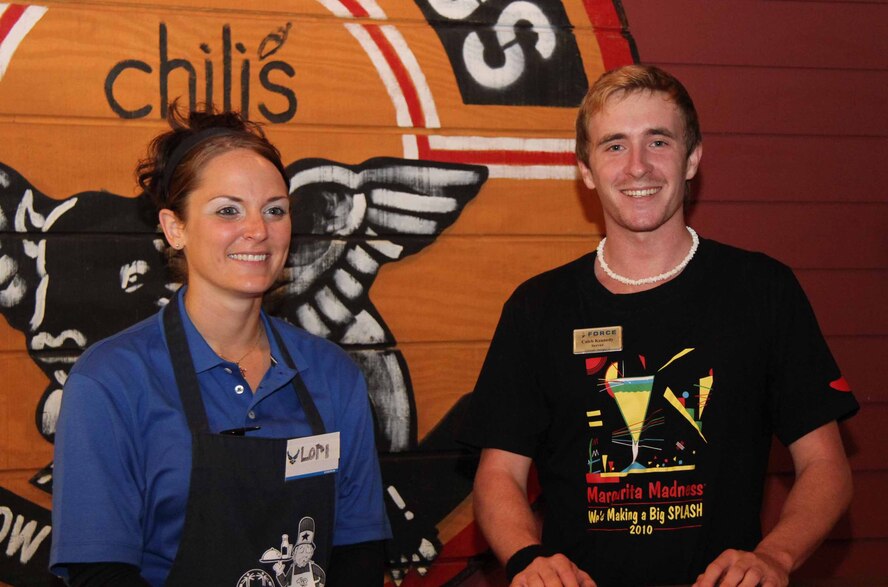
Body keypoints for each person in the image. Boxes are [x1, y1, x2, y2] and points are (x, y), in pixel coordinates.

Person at [459, 64, 858, 587]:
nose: (638, 167)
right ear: (585, 168)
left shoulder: (761, 289)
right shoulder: (539, 307)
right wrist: (525, 559)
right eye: (615, 146)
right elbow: (498, 473)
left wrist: (776, 557)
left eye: (659, 141)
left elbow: (826, 465)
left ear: (692, 157)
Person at [49, 106, 391, 586]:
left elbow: (359, 550)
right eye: (228, 210)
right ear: (175, 228)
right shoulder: (110, 382)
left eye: (275, 209)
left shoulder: (333, 375)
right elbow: (99, 572)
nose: (258, 230)